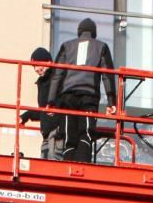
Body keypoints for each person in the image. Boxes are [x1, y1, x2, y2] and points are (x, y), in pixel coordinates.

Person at [47, 17, 117, 161]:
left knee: (69, 138)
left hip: (68, 97)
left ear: (79, 32)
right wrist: (112, 102)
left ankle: (69, 167)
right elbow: (107, 75)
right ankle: (82, 165)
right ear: (94, 33)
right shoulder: (101, 47)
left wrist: (51, 101)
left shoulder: (66, 46)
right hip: (89, 96)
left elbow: (57, 75)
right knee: (86, 134)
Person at [20, 46, 61, 159]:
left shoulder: (57, 78)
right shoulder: (42, 82)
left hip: (57, 131)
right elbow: (44, 111)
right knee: (44, 164)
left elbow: (64, 102)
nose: (36, 69)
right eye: (34, 66)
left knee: (54, 164)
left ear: (48, 61)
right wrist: (27, 115)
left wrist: (57, 110)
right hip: (46, 133)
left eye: (38, 64)